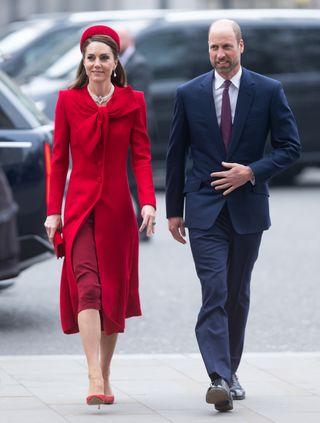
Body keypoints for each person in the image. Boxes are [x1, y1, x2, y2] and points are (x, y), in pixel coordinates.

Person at [166, 19, 300, 413]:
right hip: (204, 208)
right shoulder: (188, 93)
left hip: (247, 208)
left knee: (237, 293)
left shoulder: (269, 90)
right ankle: (218, 377)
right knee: (215, 290)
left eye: (226, 47)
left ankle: (231, 371)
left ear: (241, 46)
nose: (220, 55)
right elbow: (176, 155)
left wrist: (252, 171)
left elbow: (290, 147)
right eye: (213, 48)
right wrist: (175, 210)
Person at [44, 25, 156, 408]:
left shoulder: (133, 101)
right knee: (87, 287)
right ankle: (93, 373)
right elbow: (58, 161)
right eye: (90, 57)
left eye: (103, 57)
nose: (96, 63)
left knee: (112, 295)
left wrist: (147, 202)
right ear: (83, 61)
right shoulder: (67, 101)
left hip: (117, 212)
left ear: (115, 62)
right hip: (77, 210)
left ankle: (105, 374)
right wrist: (52, 212)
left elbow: (141, 155)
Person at [117, 27, 156, 240]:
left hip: (136, 128)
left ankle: (144, 223)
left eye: (119, 39)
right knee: (127, 177)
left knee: (134, 177)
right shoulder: (123, 61)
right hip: (125, 128)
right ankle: (138, 220)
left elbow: (138, 98)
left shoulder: (138, 64)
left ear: (129, 40)